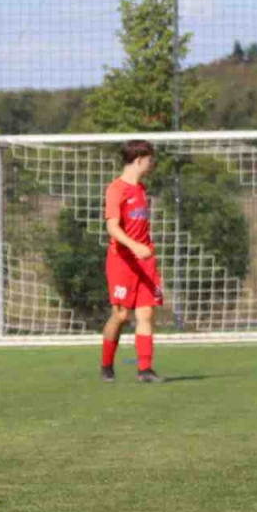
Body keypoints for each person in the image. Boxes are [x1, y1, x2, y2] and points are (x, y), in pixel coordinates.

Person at [101, 139, 164, 383]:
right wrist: (135, 246)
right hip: (122, 261)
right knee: (121, 316)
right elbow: (112, 227)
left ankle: (145, 370)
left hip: (145, 262)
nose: (151, 164)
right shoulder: (116, 189)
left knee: (145, 314)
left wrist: (144, 248)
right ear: (139, 160)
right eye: (149, 160)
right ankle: (107, 365)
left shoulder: (142, 189)